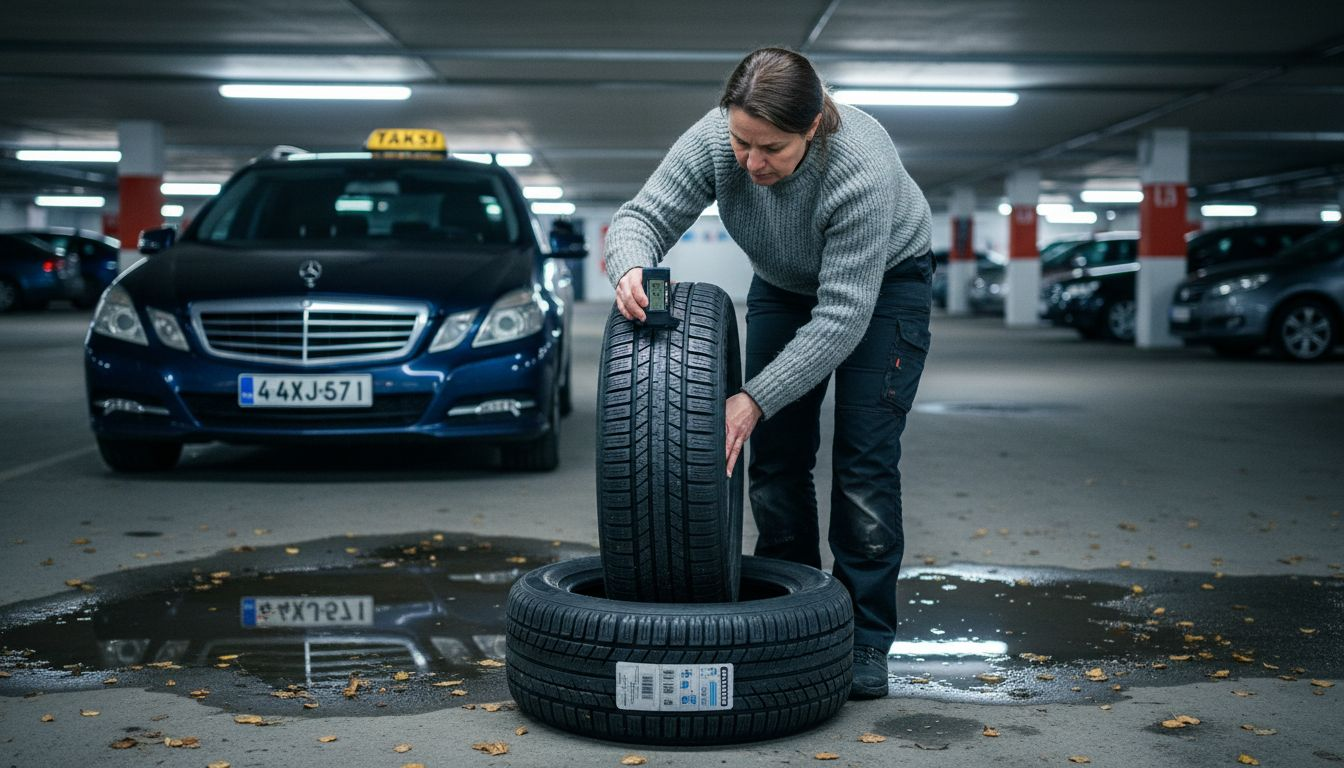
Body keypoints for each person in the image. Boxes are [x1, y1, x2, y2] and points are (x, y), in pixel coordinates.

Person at [604, 47, 933, 700]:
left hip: (886, 283)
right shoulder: (716, 137)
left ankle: (866, 638)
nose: (751, 161)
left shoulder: (859, 167)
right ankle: (799, 611)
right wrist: (633, 268)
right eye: (740, 141)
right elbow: (640, 218)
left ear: (813, 127)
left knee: (864, 461)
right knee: (778, 461)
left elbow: (842, 318)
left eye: (771, 148)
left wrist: (754, 397)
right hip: (784, 282)